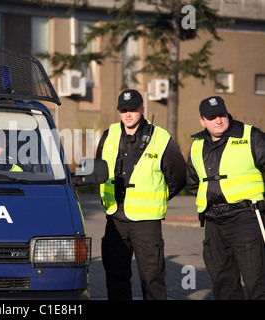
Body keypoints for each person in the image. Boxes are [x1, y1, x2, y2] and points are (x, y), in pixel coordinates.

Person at [96, 89, 187, 300]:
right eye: (124, 110)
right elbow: (99, 168)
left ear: (142, 109)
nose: (128, 114)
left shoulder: (161, 137)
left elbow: (179, 176)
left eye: (133, 109)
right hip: (115, 218)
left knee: (152, 278)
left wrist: (157, 196)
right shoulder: (109, 135)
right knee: (116, 277)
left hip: (146, 223)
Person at [186, 96, 265, 300]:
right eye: (212, 117)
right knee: (223, 283)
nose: (218, 120)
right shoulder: (196, 146)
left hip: (246, 217)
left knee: (257, 281)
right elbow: (193, 182)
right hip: (213, 221)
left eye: (221, 114)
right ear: (202, 121)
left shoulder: (250, 135)